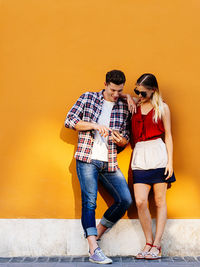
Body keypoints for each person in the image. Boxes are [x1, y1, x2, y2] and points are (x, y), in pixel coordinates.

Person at [64, 70, 132, 264]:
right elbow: (70, 121)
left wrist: (121, 141)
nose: (115, 95)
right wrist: (94, 125)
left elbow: (126, 137)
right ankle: (94, 249)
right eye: (112, 90)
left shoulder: (123, 107)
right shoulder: (88, 98)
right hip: (87, 158)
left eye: (119, 91)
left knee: (125, 200)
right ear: (105, 84)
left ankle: (97, 234)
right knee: (90, 202)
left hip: (109, 161)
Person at [125, 73, 175, 260]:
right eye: (137, 91)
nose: (139, 95)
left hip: (158, 153)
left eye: (142, 92)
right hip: (140, 155)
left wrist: (170, 161)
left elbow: (168, 135)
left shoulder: (163, 108)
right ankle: (148, 241)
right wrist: (129, 96)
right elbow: (119, 95)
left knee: (160, 202)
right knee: (140, 201)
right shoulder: (134, 106)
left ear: (153, 90)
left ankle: (157, 244)